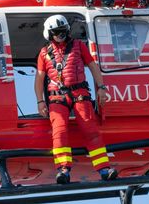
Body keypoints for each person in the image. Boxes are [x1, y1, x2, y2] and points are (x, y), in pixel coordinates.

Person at [34, 14, 118, 184]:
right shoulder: (44, 53)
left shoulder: (79, 46)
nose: (60, 34)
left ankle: (103, 168)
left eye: (63, 31)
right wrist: (40, 101)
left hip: (80, 94)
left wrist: (101, 88)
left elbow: (93, 66)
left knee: (91, 130)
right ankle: (63, 169)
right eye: (57, 32)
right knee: (59, 132)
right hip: (57, 97)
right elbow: (39, 79)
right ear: (49, 34)